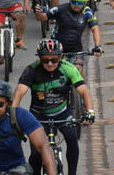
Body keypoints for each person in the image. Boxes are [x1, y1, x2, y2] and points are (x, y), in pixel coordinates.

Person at [12, 39, 95, 175]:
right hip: (38, 115)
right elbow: (19, 93)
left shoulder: (68, 68)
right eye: (45, 60)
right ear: (39, 58)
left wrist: (90, 111)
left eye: (54, 59)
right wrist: (13, 115)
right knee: (36, 155)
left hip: (62, 112)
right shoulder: (31, 70)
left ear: (60, 57)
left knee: (72, 139)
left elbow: (84, 91)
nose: (50, 63)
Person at [35, 0, 103, 76]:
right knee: (50, 71)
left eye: (79, 3)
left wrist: (97, 46)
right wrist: (38, 13)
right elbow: (41, 18)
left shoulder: (87, 12)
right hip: (57, 47)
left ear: (85, 2)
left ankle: (77, 89)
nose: (76, 5)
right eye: (73, 1)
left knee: (78, 70)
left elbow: (95, 28)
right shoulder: (60, 9)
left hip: (76, 48)